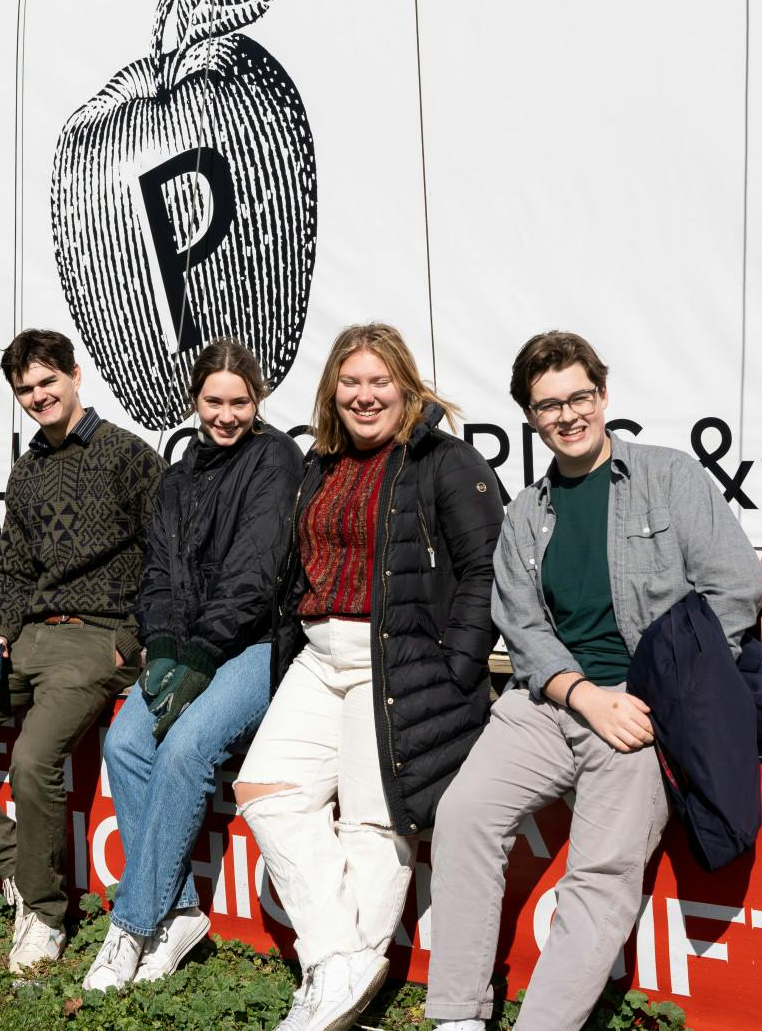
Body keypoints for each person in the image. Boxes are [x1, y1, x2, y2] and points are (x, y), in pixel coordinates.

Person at [422, 331, 762, 1031]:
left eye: (580, 395)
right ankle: (457, 1015)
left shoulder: (668, 478)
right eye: (549, 404)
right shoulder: (526, 512)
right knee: (462, 817)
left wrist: (666, 692)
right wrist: (580, 693)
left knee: (603, 870)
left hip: (644, 707)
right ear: (531, 416)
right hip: (550, 701)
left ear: (603, 396)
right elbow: (522, 625)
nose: (568, 414)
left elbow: (737, 588)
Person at [232, 323, 504, 1031]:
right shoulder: (321, 461)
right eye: (350, 382)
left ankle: (335, 993)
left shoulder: (444, 461)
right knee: (265, 789)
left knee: (373, 824)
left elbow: (486, 573)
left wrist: (457, 666)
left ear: (406, 386)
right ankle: (339, 960)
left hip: (399, 658)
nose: (364, 395)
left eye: (378, 380)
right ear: (332, 392)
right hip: (320, 655)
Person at [0, 328, 163, 972]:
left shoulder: (129, 455)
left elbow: (165, 559)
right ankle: (23, 861)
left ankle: (44, 913)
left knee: (34, 757)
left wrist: (131, 641)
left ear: (76, 375)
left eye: (48, 382)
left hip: (97, 639)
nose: (39, 396)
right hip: (25, 638)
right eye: (25, 390)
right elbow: (11, 568)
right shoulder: (30, 467)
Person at [83, 339, 302, 992]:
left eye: (240, 401)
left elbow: (255, 575)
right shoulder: (179, 473)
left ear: (257, 400)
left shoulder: (277, 459)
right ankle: (177, 910)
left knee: (184, 747)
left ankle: (128, 926)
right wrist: (166, 648)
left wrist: (200, 657)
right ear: (194, 399)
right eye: (214, 400)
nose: (226, 414)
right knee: (125, 741)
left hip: (258, 645)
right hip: (189, 650)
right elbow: (157, 574)